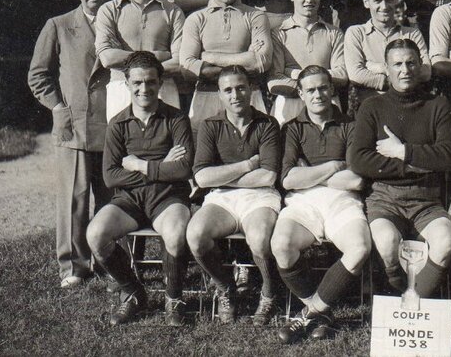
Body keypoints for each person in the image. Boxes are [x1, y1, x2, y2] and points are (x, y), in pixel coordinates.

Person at [86, 51, 193, 327]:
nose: (144, 89)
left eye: (150, 82)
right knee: (96, 234)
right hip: (129, 199)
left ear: (160, 83)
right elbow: (110, 177)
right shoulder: (118, 124)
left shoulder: (177, 119)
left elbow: (183, 170)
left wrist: (139, 165)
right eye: (137, 83)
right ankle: (133, 293)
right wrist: (160, 167)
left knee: (175, 232)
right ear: (127, 84)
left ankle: (174, 299)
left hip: (168, 197)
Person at [348, 39, 451, 298]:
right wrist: (418, 165)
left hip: (427, 199)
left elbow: (449, 157)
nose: (405, 70)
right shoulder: (372, 106)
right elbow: (360, 160)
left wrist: (403, 152)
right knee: (386, 244)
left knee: (445, 241)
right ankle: (397, 292)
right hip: (385, 198)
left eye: (411, 63)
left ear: (420, 66)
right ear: (386, 69)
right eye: (397, 64)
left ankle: (415, 301)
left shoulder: (437, 105)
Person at [27, 0, 114, 288]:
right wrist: (58, 107)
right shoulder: (59, 25)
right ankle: (74, 266)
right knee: (75, 198)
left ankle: (109, 258)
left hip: (110, 123)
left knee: (111, 196)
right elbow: (38, 74)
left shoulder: (116, 21)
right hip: (74, 125)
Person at [272, 66, 371, 343]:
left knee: (359, 248)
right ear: (301, 94)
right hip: (303, 202)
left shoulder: (351, 125)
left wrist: (312, 175)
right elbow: (289, 180)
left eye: (324, 88)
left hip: (343, 200)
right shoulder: (291, 127)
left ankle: (309, 313)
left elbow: (356, 180)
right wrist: (334, 165)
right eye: (311, 90)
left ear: (332, 89)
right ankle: (323, 313)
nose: (318, 95)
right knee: (281, 245)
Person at [185, 65, 281, 326]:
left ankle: (270, 292)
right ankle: (225, 287)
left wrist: (223, 174)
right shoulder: (210, 125)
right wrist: (247, 165)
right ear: (219, 95)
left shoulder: (267, 123)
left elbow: (268, 176)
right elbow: (203, 177)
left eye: (240, 87)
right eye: (228, 90)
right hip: (222, 198)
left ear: (250, 89)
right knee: (195, 235)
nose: (235, 94)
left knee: (259, 238)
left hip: (260, 196)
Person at [180, 0, 273, 136]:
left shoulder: (256, 16)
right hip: (206, 97)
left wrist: (209, 57)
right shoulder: (196, 19)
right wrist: (244, 59)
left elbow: (261, 62)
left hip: (248, 97)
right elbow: (187, 68)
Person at [95, 0, 184, 121]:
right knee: (123, 147)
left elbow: (180, 62)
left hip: (163, 89)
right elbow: (107, 58)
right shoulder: (109, 10)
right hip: (122, 88)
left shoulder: (173, 11)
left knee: (167, 147)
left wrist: (132, 63)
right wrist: (159, 55)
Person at [267, 0, 347, 124]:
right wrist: (320, 82)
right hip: (290, 107)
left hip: (326, 105)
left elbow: (342, 76)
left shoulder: (334, 33)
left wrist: (292, 73)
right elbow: (275, 81)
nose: (309, 0)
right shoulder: (278, 33)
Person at [344, 0, 430, 107]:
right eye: (377, 1)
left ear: (396, 0)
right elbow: (356, 74)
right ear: (366, 2)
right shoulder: (356, 33)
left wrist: (377, 67)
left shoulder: (412, 33)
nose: (384, 7)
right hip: (371, 106)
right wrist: (401, 79)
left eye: (389, 0)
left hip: (407, 105)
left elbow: (426, 72)